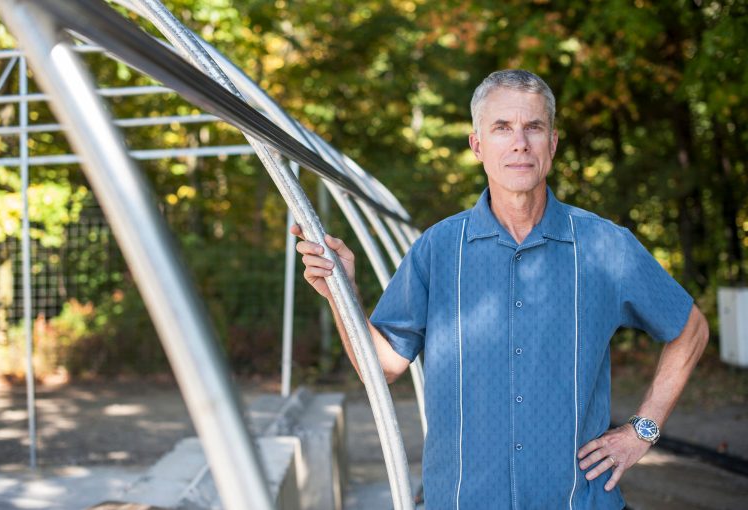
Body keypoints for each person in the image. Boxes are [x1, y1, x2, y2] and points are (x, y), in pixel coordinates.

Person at [291, 69, 709, 509]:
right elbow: (382, 366)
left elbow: (690, 328)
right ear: (477, 146)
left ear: (553, 142)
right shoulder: (437, 249)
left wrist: (642, 430)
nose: (519, 143)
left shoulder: (606, 246)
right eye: (502, 128)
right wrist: (343, 292)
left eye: (533, 127)